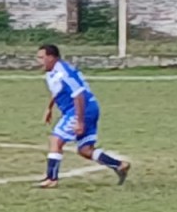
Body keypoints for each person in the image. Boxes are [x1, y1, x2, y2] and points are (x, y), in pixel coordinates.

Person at [36, 44, 131, 188]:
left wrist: (79, 121)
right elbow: (58, 90)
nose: (38, 61)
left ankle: (51, 179)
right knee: (85, 150)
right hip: (89, 108)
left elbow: (79, 95)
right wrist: (49, 108)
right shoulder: (53, 72)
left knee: (56, 140)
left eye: (41, 57)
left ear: (51, 57)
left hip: (81, 109)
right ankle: (119, 165)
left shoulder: (63, 72)